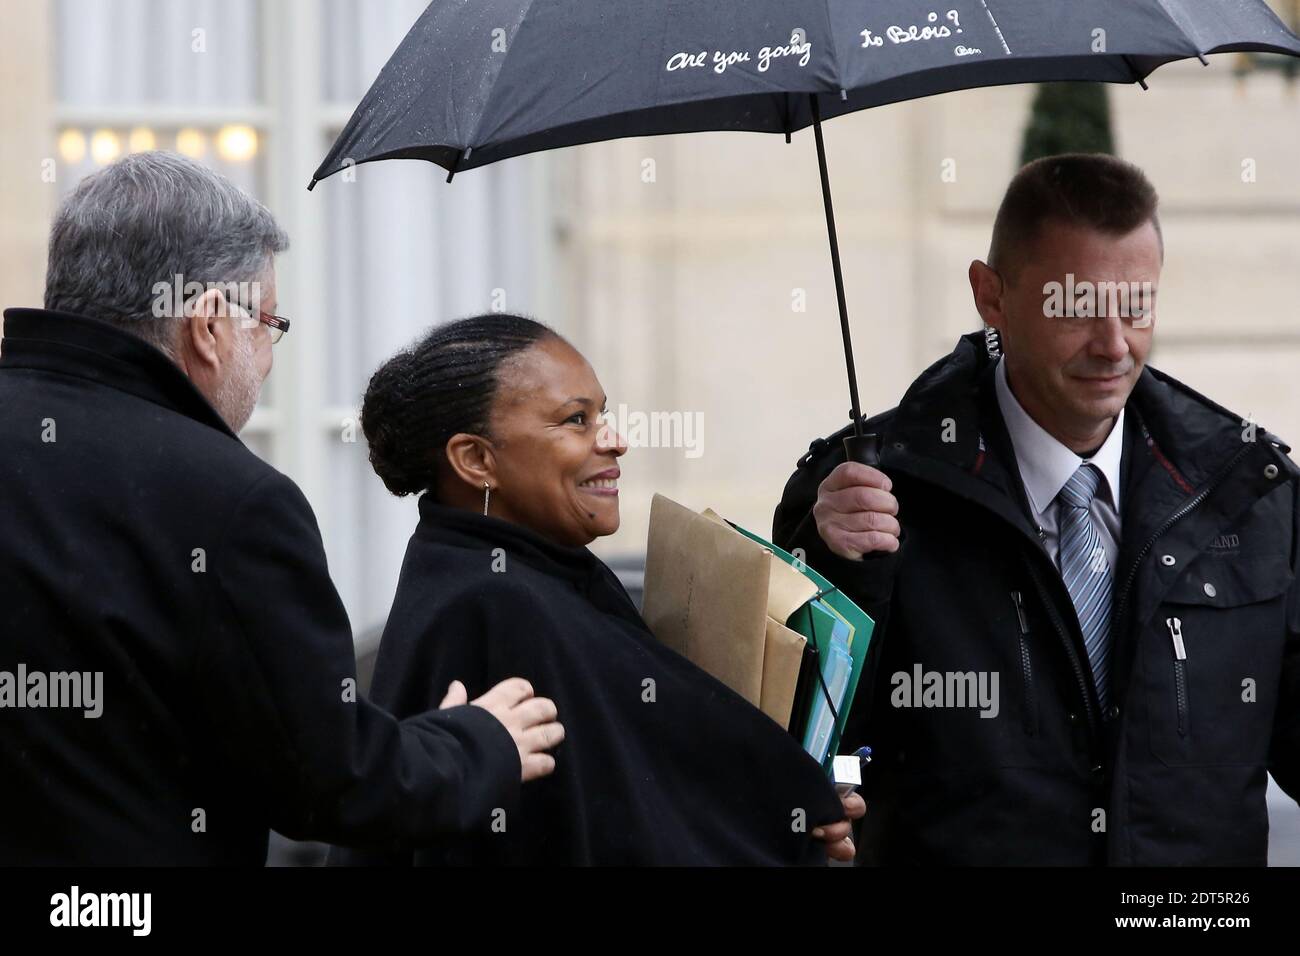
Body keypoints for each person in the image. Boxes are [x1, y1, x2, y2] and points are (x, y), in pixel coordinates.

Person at [0, 151, 562, 865]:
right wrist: (479, 744)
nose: (267, 356)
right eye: (269, 322)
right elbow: (328, 781)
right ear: (208, 326)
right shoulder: (229, 502)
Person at [774, 153, 1300, 866]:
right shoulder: (865, 493)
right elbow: (796, 754)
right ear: (991, 297)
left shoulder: (1251, 491)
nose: (1114, 345)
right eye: (1075, 306)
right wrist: (834, 567)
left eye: (1136, 305)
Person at [329, 314, 861, 866]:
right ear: (476, 460)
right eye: (575, 420)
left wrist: (795, 808)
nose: (615, 442)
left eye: (602, 414)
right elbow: (606, 825)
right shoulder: (496, 603)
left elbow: (654, 774)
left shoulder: (535, 571)